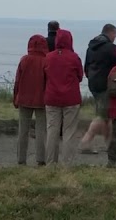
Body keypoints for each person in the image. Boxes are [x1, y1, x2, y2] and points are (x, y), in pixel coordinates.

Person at [43, 28, 84, 165]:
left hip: (52, 97)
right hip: (71, 98)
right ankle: (67, 163)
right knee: (69, 132)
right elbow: (80, 76)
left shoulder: (49, 57)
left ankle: (50, 162)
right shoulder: (74, 57)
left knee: (52, 130)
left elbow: (44, 75)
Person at [80, 23, 116, 154]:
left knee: (107, 115)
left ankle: (109, 144)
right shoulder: (111, 48)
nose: (115, 37)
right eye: (115, 34)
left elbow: (86, 66)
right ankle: (86, 141)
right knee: (102, 115)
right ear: (110, 33)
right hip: (105, 84)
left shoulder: (91, 47)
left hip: (93, 83)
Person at [12, 34, 49, 166]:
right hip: (41, 99)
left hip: (24, 98)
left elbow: (17, 80)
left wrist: (15, 97)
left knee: (23, 130)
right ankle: (41, 158)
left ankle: (21, 159)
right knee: (41, 130)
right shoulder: (46, 61)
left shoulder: (24, 60)